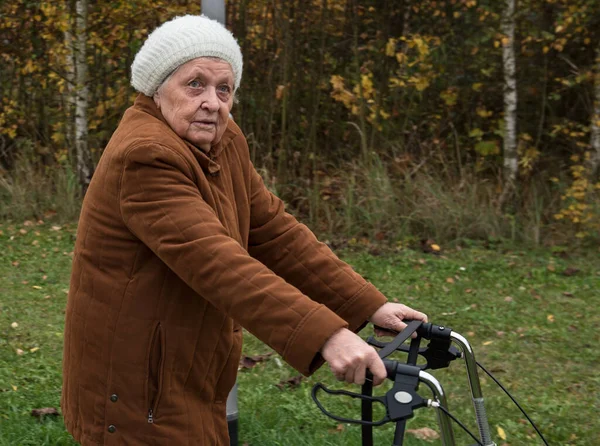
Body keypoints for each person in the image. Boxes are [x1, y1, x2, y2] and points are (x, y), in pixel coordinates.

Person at [61, 15, 427, 445]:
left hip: (183, 364)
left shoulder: (222, 139)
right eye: (194, 84)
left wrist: (367, 305)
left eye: (224, 88)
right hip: (138, 384)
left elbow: (273, 231)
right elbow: (217, 261)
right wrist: (326, 334)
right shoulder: (146, 156)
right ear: (157, 88)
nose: (212, 102)